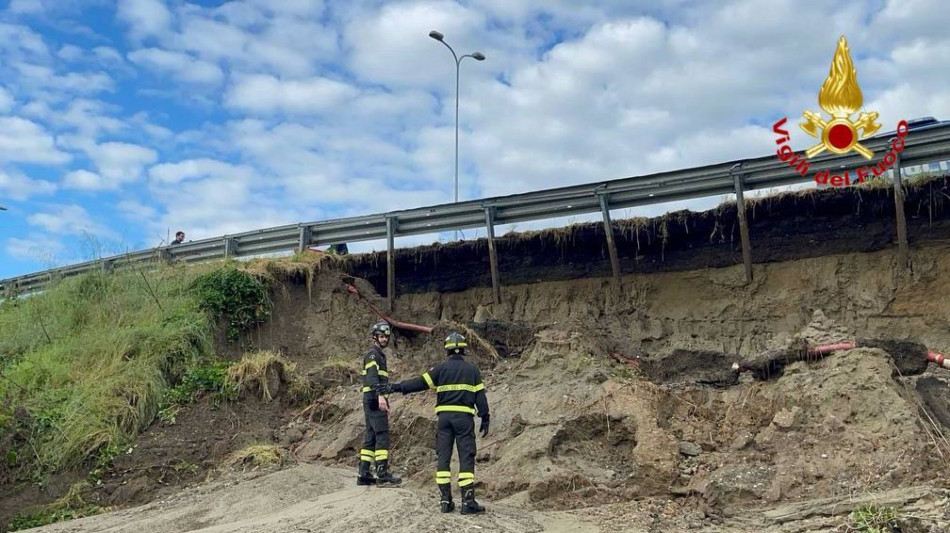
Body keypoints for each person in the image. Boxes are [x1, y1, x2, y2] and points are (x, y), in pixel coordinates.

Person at [378, 332, 490, 514]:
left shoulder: (440, 369)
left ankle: (445, 501)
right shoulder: (472, 370)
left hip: (444, 420)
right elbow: (481, 397)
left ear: (446, 351)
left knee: (443, 458)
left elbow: (419, 383)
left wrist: (395, 387)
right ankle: (468, 502)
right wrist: (485, 418)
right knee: (466, 457)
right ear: (463, 349)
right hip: (464, 420)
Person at [357, 320, 402, 487]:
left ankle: (364, 473)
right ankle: (382, 474)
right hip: (374, 398)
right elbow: (372, 377)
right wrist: (381, 397)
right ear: (375, 337)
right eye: (382, 336)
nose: (384, 339)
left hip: (370, 398)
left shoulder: (376, 355)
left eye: (386, 337)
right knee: (382, 434)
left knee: (370, 435)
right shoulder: (374, 355)